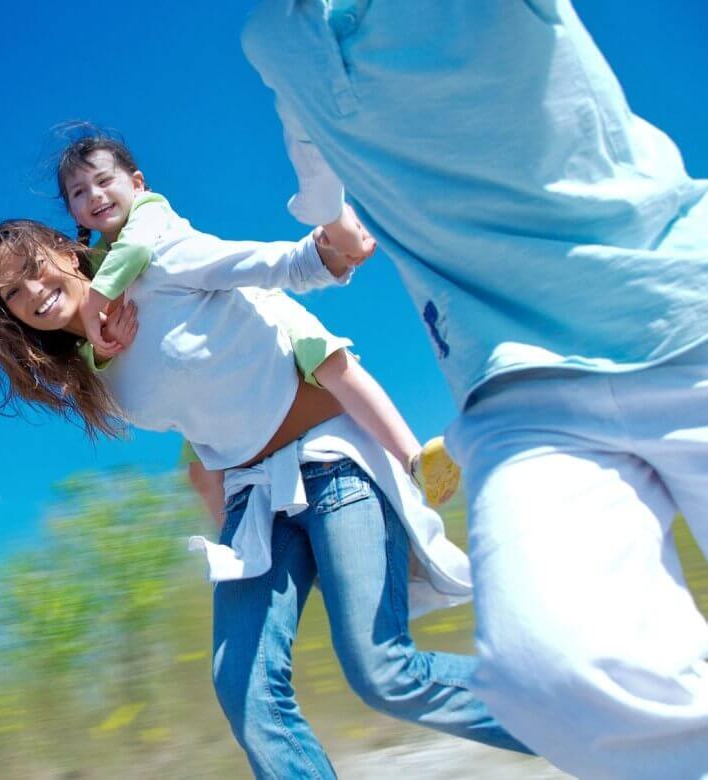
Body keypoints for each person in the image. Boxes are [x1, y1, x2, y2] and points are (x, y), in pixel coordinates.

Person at [241, 1, 708, 776]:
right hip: (514, 386)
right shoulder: (273, 36)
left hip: (679, 313)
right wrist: (330, 224)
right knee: (553, 677)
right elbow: (316, 170)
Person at [0, 218, 530, 777]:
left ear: (66, 250)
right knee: (244, 685)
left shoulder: (154, 263)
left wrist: (328, 250)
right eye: (13, 292)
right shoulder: (93, 370)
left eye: (35, 269)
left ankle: (585, 722)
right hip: (253, 501)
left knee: (381, 669)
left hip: (332, 463)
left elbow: (261, 270)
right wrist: (213, 495)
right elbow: (208, 397)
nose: (33, 293)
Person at [53, 131, 460, 508]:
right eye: (79, 192)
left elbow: (139, 252)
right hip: (220, 385)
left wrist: (95, 303)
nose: (95, 195)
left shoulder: (150, 218)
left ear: (138, 183)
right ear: (72, 210)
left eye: (105, 181)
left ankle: (412, 459)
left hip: (256, 312)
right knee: (200, 471)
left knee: (331, 362)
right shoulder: (97, 259)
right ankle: (237, 551)